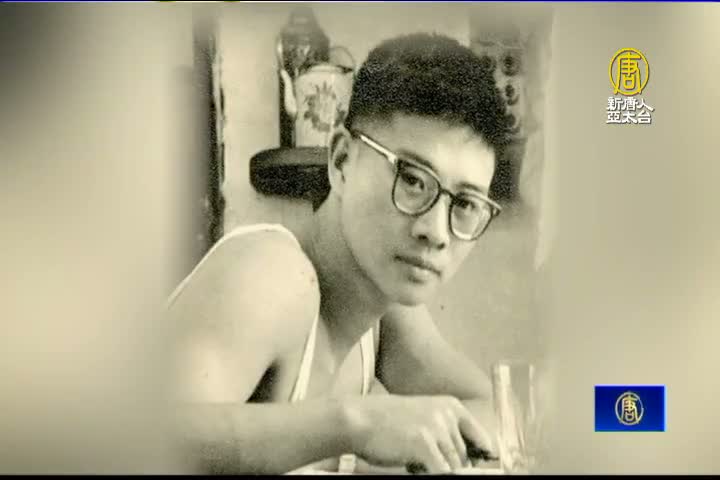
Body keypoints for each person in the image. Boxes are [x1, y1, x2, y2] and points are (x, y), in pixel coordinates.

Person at [167, 32, 512, 475]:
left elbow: (493, 411)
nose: (436, 231)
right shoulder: (272, 274)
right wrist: (357, 424)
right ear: (342, 159)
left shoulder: (385, 314)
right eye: (411, 180)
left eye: (464, 204)